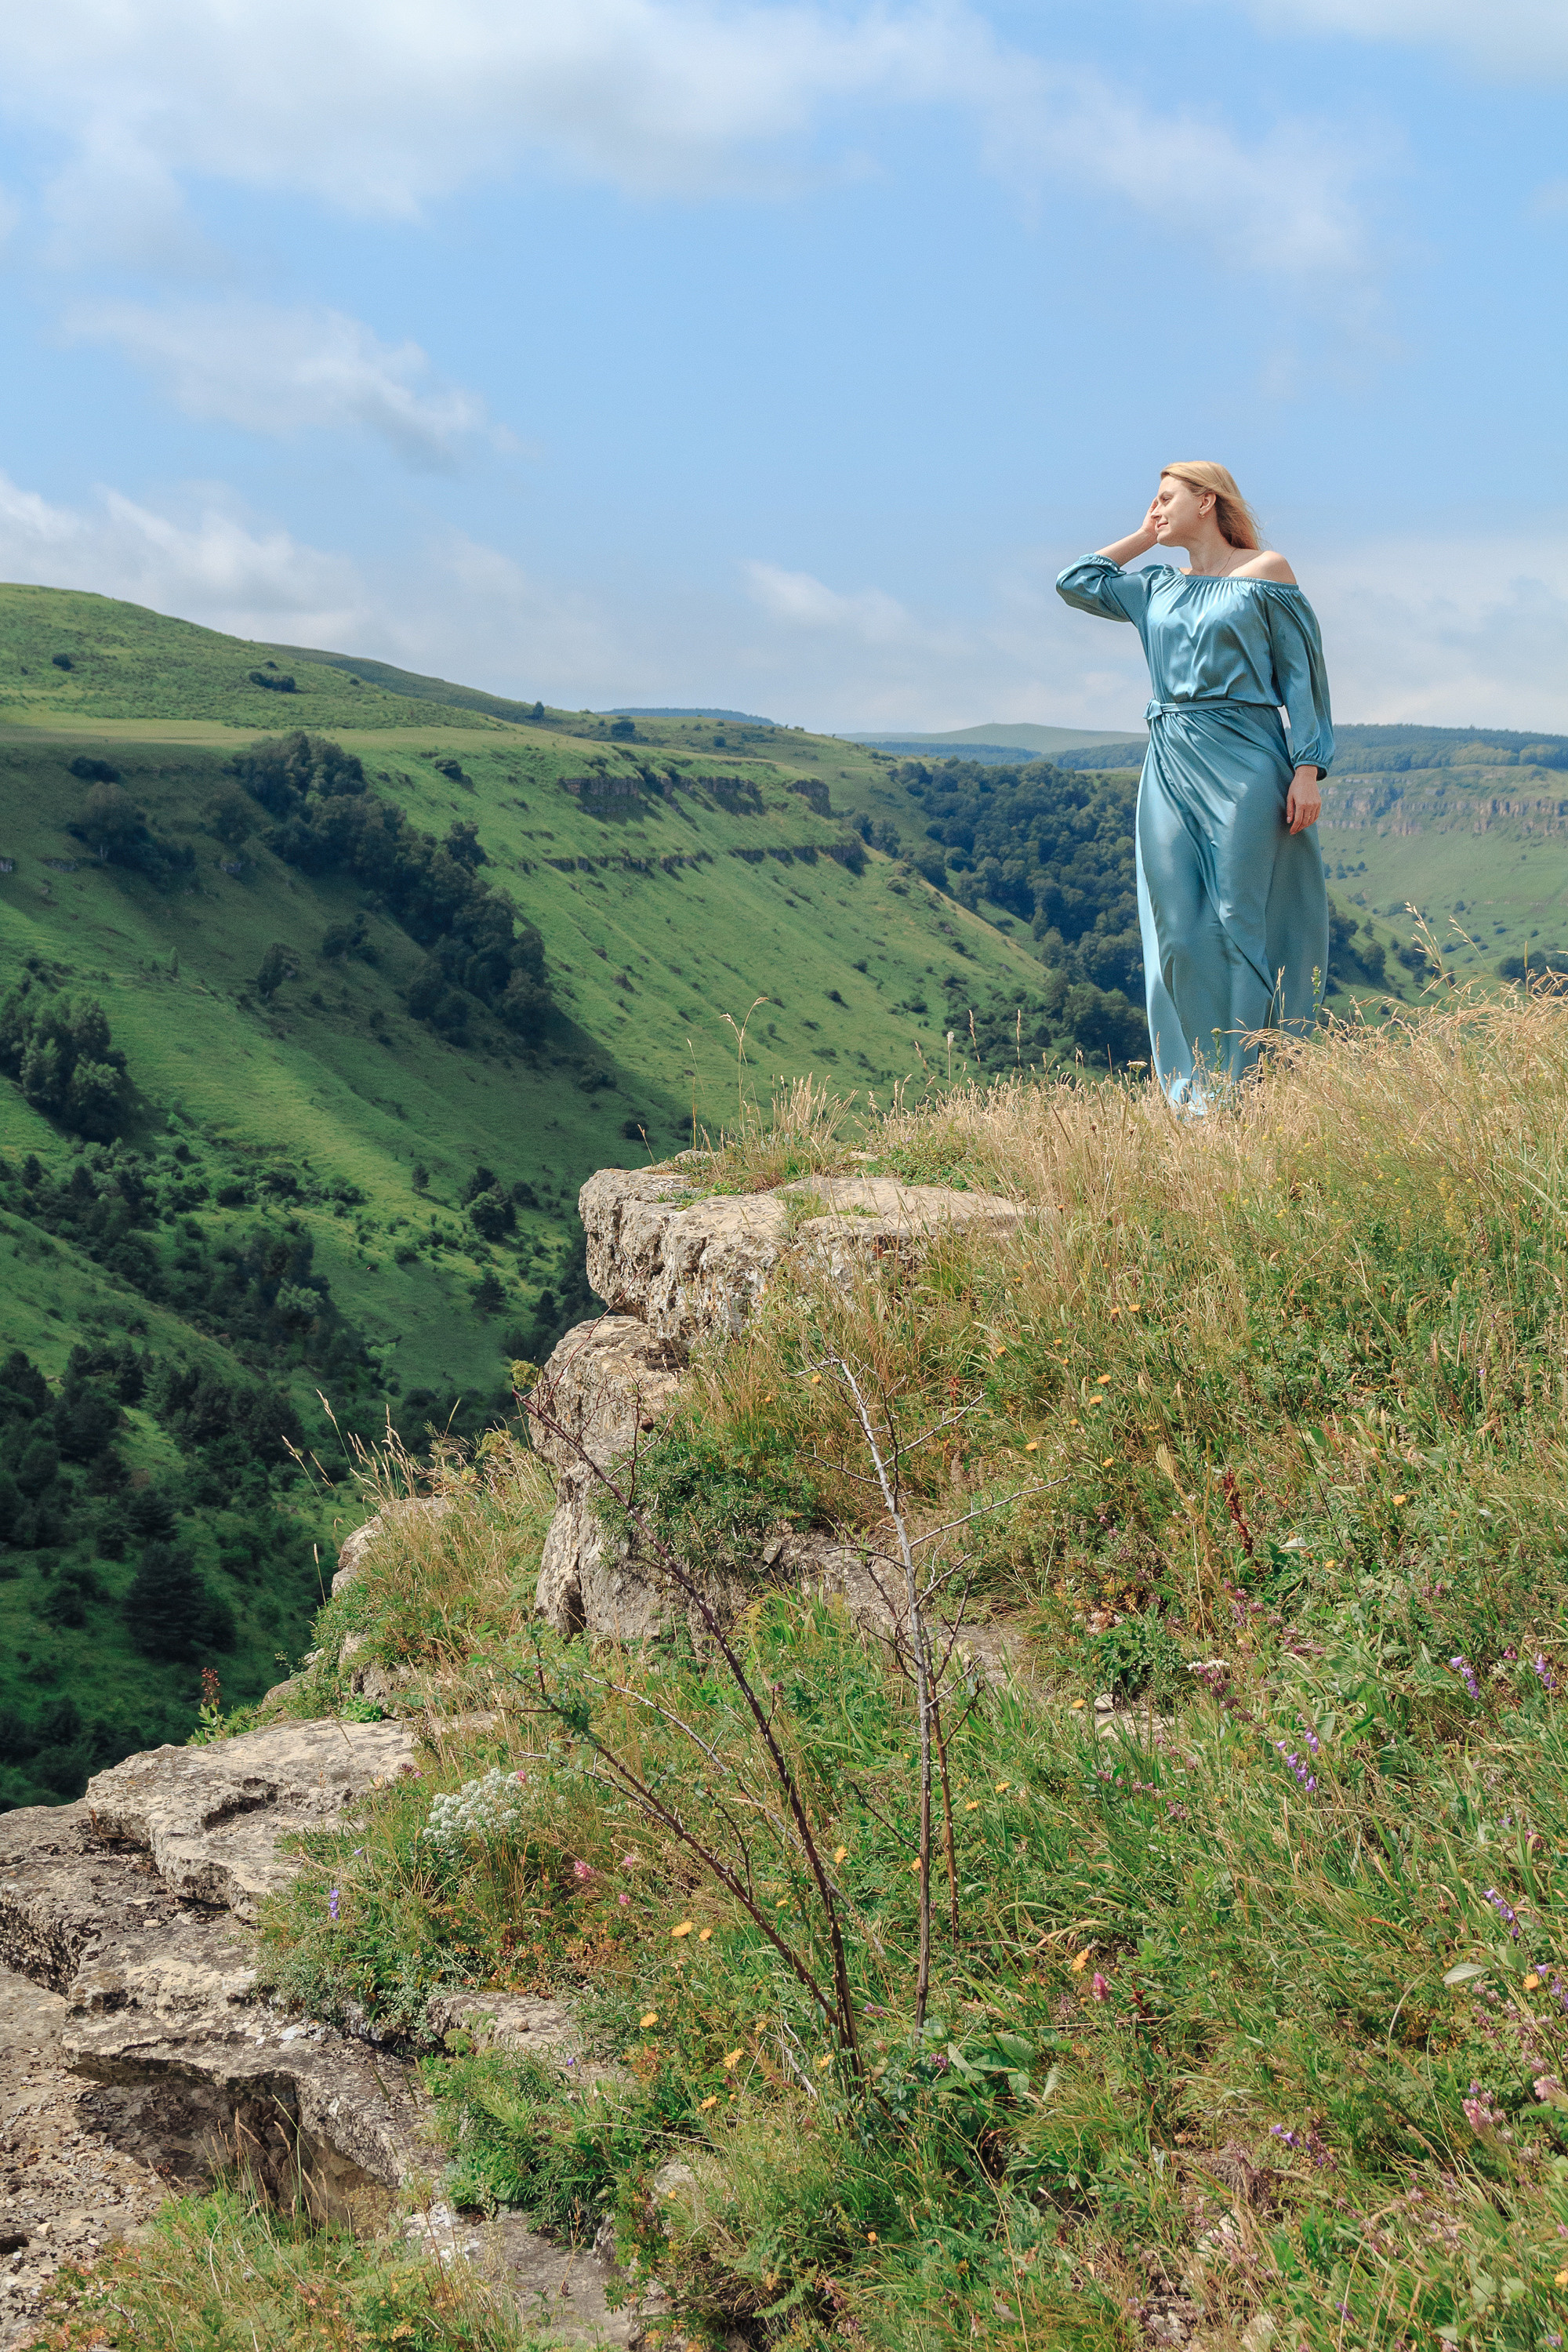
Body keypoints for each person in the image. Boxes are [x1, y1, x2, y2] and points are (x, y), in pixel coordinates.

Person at [1057, 462, 1332, 1109]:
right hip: (1171, 759)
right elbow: (1076, 581)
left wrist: (1307, 769)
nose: (1154, 509)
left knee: (1242, 917)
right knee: (1177, 928)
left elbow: (1303, 679)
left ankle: (1251, 1089)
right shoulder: (1155, 587)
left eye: (1164, 499)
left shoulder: (1266, 572)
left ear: (1206, 501)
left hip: (1248, 756)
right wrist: (1143, 536)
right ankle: (1194, 1091)